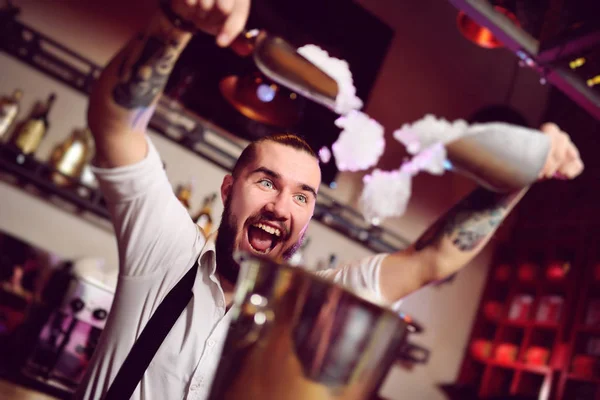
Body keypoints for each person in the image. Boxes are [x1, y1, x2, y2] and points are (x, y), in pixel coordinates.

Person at [76, 0, 584, 399]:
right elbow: (116, 126)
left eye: (303, 195)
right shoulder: (164, 250)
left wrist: (523, 175)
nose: (281, 207)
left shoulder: (315, 304)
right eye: (267, 182)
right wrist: (177, 20)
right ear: (229, 189)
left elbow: (433, 258)